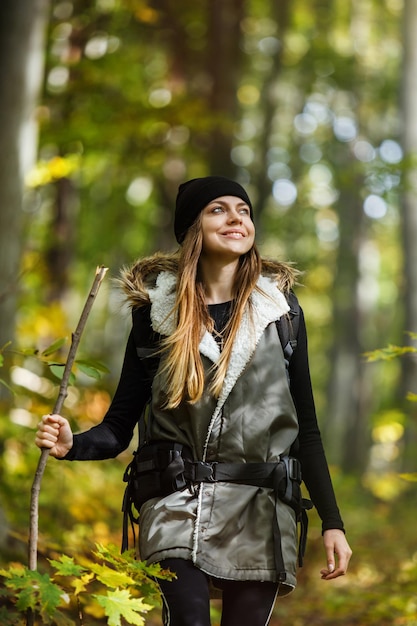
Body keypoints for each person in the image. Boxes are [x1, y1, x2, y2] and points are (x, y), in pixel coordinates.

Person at [35, 176, 352, 626]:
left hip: (261, 507)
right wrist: (74, 444)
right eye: (217, 210)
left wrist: (332, 522)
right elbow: (118, 425)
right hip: (175, 501)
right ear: (191, 230)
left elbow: (307, 430)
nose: (236, 218)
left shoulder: (282, 313)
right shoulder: (155, 313)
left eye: (243, 210)